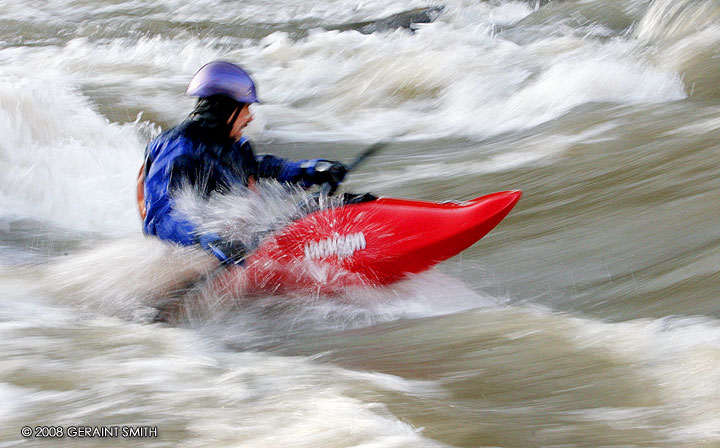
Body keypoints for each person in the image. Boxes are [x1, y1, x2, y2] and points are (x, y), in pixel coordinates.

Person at [136, 61, 348, 266]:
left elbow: (261, 167)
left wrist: (311, 170)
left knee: (306, 207)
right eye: (246, 108)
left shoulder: (232, 144)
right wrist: (207, 240)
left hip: (230, 241)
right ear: (226, 110)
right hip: (189, 252)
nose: (250, 117)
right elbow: (162, 217)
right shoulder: (177, 150)